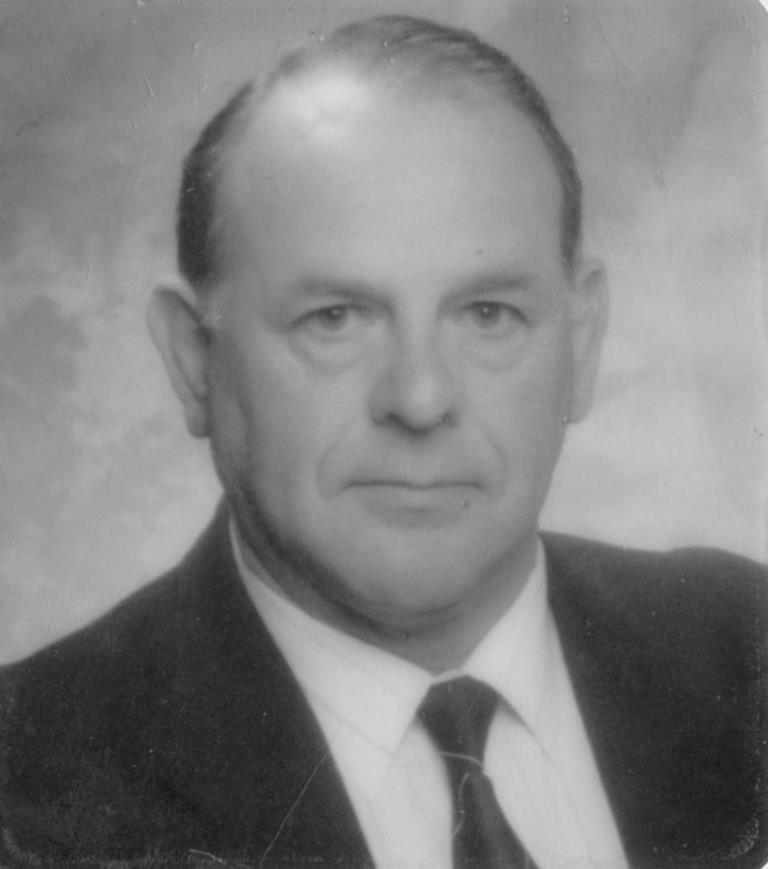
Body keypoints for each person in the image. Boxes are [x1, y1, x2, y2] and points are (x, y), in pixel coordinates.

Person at [0, 14, 765, 869]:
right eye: (336, 317)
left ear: (581, 343)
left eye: (488, 313)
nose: (421, 398)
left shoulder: (748, 650)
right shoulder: (26, 791)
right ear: (193, 360)